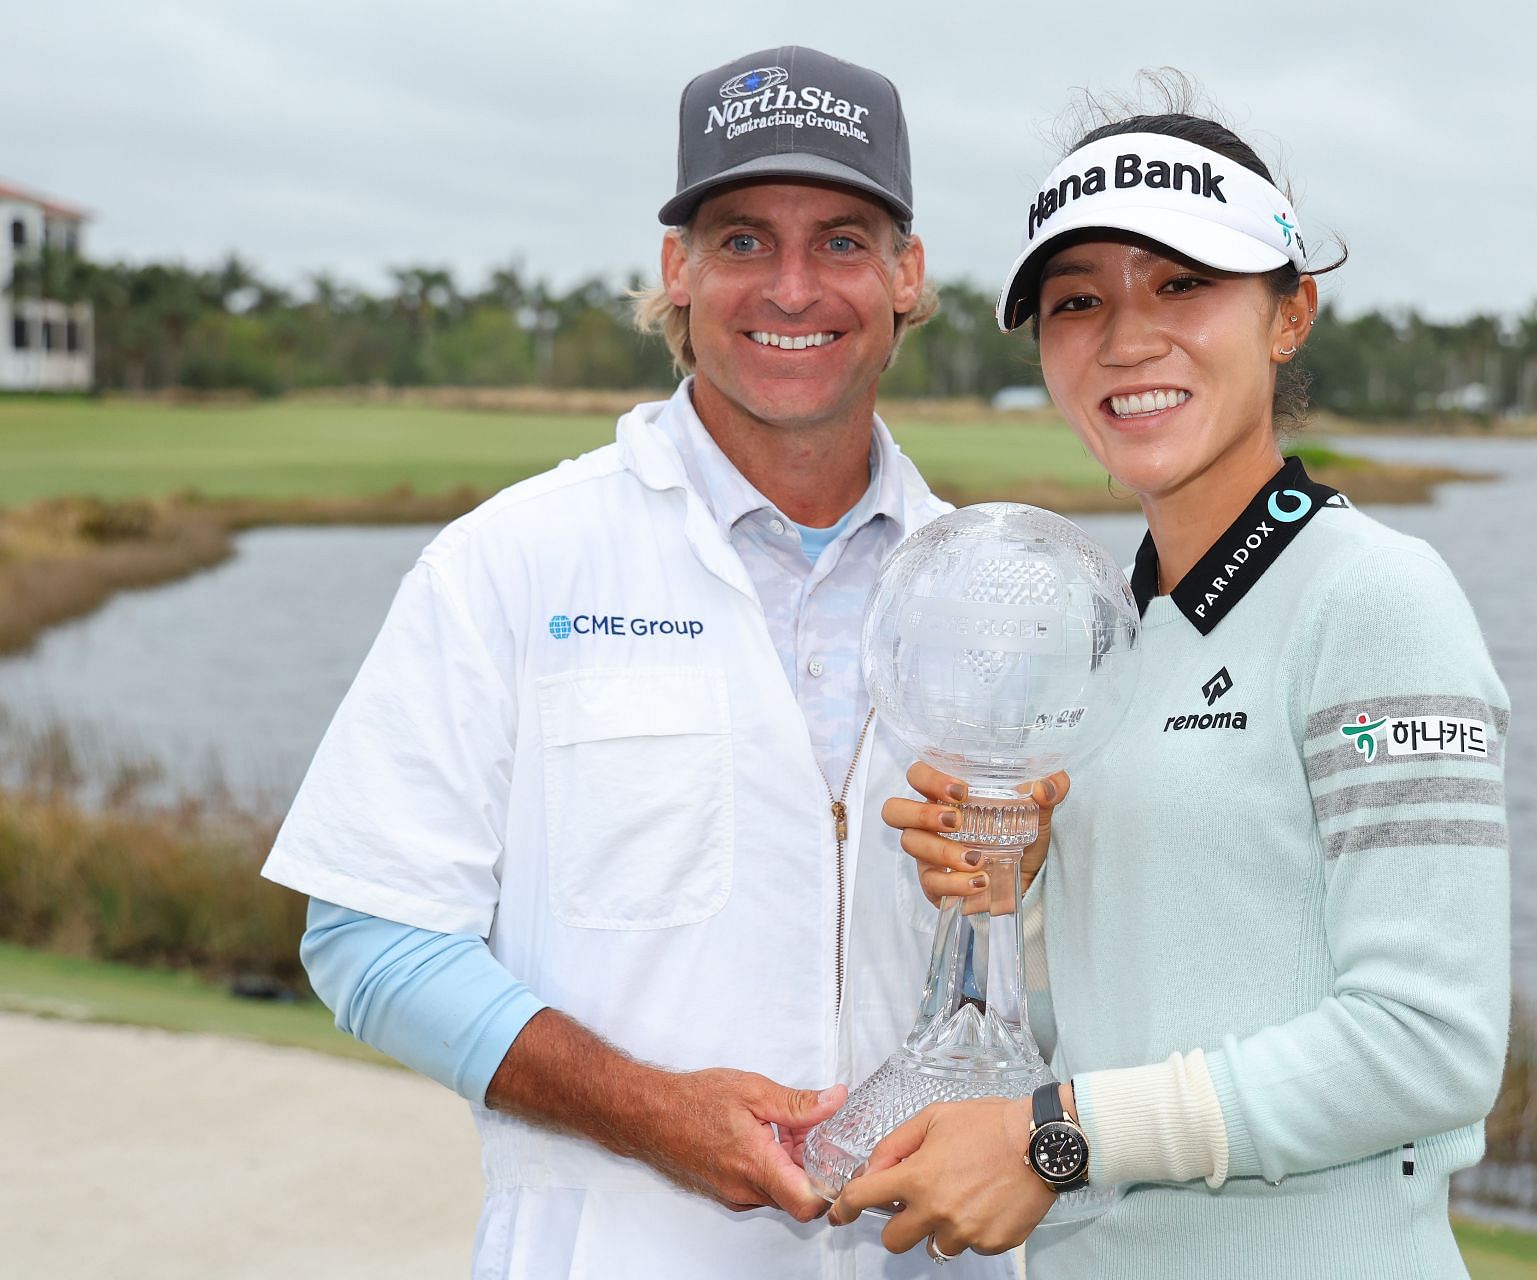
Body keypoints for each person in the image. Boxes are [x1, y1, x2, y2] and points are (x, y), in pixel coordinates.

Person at [262, 46, 1022, 1279]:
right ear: (676, 268)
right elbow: (372, 936)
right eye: (740, 240)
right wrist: (650, 1111)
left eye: (840, 239)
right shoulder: (514, 559)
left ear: (906, 274)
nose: (792, 286)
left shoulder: (992, 589)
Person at [830, 98, 1512, 1279]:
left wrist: (1052, 1135)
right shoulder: (1115, 637)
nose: (1127, 339)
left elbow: (1428, 1044)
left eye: (1183, 284)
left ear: (1289, 311)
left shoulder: (1379, 599)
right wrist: (1003, 922)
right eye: (1078, 300)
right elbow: (1140, 1027)